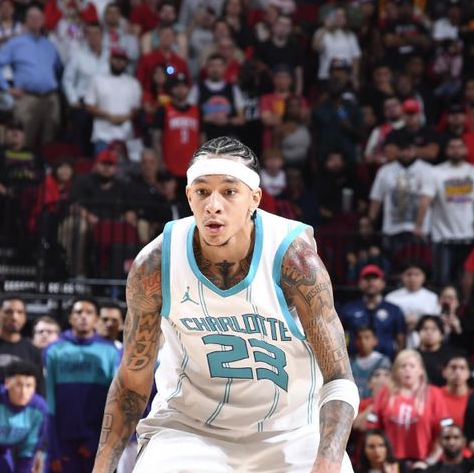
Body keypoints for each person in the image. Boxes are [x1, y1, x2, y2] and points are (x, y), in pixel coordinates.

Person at [93, 136, 359, 473]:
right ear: (189, 197)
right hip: (189, 428)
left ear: (254, 200)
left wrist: (328, 460)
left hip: (292, 431)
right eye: (202, 191)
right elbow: (132, 381)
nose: (213, 205)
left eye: (229, 192)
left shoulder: (296, 261)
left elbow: (339, 377)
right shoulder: (156, 264)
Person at [45, 297, 119, 472]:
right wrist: (53, 449)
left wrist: (98, 441)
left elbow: (114, 403)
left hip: (96, 442)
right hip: (63, 442)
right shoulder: (53, 350)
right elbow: (49, 403)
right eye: (78, 312)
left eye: (89, 313)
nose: (83, 316)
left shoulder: (110, 352)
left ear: (96, 319)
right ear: (70, 318)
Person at [416, 136, 474, 287]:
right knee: (442, 281)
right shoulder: (435, 172)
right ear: (446, 150)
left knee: (466, 281)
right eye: (452, 146)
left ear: (465, 149)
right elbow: (425, 200)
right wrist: (418, 225)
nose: (456, 150)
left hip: (468, 237)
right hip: (443, 237)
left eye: (459, 146)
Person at [0, 5, 62, 148]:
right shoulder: (15, 43)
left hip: (51, 99)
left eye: (38, 17)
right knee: (22, 141)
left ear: (43, 21)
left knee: (50, 142)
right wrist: (6, 88)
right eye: (31, 17)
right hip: (27, 97)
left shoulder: (50, 45)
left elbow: (59, 69)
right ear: (25, 21)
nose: (35, 21)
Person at [368, 349, 452, 464]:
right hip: (390, 462)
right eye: (403, 366)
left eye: (412, 366)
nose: (407, 370)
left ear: (421, 370)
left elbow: (446, 430)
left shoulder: (434, 393)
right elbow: (373, 427)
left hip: (424, 462)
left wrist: (430, 461)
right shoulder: (385, 393)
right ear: (396, 371)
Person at [0, 360, 47, 473]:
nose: (23, 392)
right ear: (7, 383)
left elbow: (28, 452)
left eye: (29, 386)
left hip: (2, 453)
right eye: (19, 385)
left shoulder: (39, 409)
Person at [338, 264, 407, 360]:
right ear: (360, 283)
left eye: (375, 278)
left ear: (383, 283)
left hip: (386, 364)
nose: (371, 282)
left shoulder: (394, 310)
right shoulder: (348, 309)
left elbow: (401, 340)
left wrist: (397, 362)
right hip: (354, 363)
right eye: (367, 279)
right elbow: (339, 338)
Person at [0, 296, 43, 385]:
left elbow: (39, 389)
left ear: (25, 317)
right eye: (8, 312)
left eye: (20, 312)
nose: (15, 317)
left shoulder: (33, 351)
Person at [385, 263, 440, 333]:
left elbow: (436, 321)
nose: (412, 279)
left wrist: (419, 321)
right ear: (402, 276)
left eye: (417, 274)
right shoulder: (391, 298)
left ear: (424, 277)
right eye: (409, 274)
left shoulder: (432, 297)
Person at [351, 326, 391, 399]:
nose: (363, 341)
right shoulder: (350, 362)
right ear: (355, 342)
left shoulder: (383, 361)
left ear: (375, 340)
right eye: (359, 338)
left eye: (367, 337)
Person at [441, 354, 471, 429]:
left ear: (468, 373)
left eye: (462, 368)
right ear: (444, 372)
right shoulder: (435, 396)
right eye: (453, 368)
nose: (457, 372)